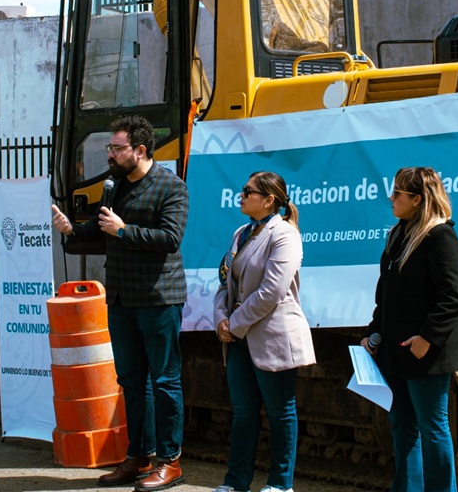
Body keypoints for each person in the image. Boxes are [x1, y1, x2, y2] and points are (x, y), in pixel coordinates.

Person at [51, 115, 189, 491]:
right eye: (110, 148)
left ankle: (170, 461)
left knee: (164, 380)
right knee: (131, 381)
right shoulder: (115, 187)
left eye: (116, 148)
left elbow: (170, 238)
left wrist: (124, 230)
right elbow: (103, 231)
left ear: (140, 150)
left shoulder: (170, 187)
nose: (109, 154)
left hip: (159, 298)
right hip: (122, 298)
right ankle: (138, 456)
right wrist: (73, 230)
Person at [361, 167, 458, 492]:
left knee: (433, 427)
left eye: (398, 194)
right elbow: (387, 296)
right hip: (395, 350)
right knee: (402, 425)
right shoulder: (399, 233)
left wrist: (428, 339)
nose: (391, 198)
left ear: (417, 199)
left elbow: (454, 299)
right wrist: (373, 332)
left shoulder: (440, 237)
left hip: (426, 354)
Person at [212, 171, 315, 492]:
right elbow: (225, 281)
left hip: (272, 336)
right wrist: (220, 320)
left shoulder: (285, 234)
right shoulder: (242, 232)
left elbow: (272, 291)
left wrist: (236, 324)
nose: (240, 196)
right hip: (238, 336)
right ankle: (235, 483)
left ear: (269, 199)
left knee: (281, 412)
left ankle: (281, 484)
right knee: (243, 414)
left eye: (248, 191)